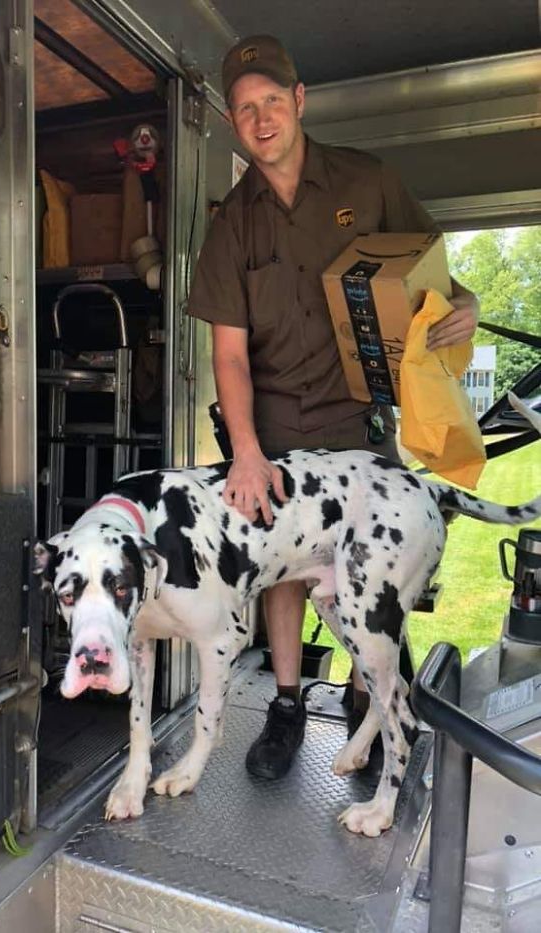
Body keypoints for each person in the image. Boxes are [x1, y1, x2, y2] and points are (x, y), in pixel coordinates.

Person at [187, 35, 479, 780]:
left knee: (372, 568)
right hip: (275, 422)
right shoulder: (231, 224)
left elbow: (434, 275)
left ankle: (368, 703)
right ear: (231, 122)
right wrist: (247, 453)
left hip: (358, 414)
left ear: (301, 101)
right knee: (281, 570)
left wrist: (467, 304)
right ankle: (286, 705)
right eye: (246, 109)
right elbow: (228, 354)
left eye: (273, 102)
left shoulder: (369, 180)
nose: (262, 120)